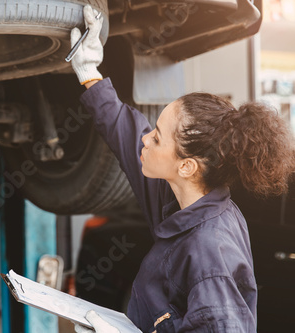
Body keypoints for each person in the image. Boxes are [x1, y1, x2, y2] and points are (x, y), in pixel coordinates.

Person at [70, 5, 295, 333]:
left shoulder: (209, 255)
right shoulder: (179, 200)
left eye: (158, 138)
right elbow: (127, 134)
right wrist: (89, 72)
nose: (147, 139)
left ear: (187, 166)